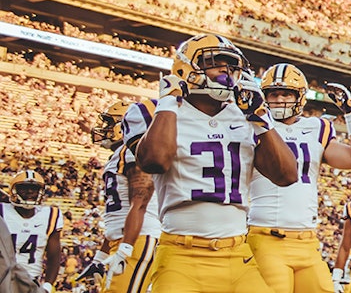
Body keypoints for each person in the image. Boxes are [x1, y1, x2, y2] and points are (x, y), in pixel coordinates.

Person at [130, 33, 300, 293]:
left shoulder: (246, 116)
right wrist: (168, 102)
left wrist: (261, 120)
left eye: (231, 65)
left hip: (237, 254)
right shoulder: (153, 111)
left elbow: (287, 175)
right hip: (180, 254)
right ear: (186, 67)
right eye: (216, 62)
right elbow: (155, 161)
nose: (226, 70)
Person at [249, 64, 351, 293]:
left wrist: (350, 112)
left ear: (300, 97)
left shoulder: (316, 127)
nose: (279, 100)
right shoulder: (254, 127)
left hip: (307, 241)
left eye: (286, 93)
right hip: (267, 236)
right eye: (273, 94)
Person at [76, 99, 161, 293]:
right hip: (126, 238)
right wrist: (99, 258)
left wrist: (126, 248)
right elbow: (117, 216)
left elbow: (139, 203)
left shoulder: (133, 152)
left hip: (137, 238)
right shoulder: (119, 155)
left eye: (109, 123)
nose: (103, 128)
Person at [0, 172, 60, 292]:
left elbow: (54, 256)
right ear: (13, 190)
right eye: (24, 188)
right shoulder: (2, 211)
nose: (30, 192)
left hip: (32, 282)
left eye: (34, 188)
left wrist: (47, 286)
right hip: (3, 280)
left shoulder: (50, 214)